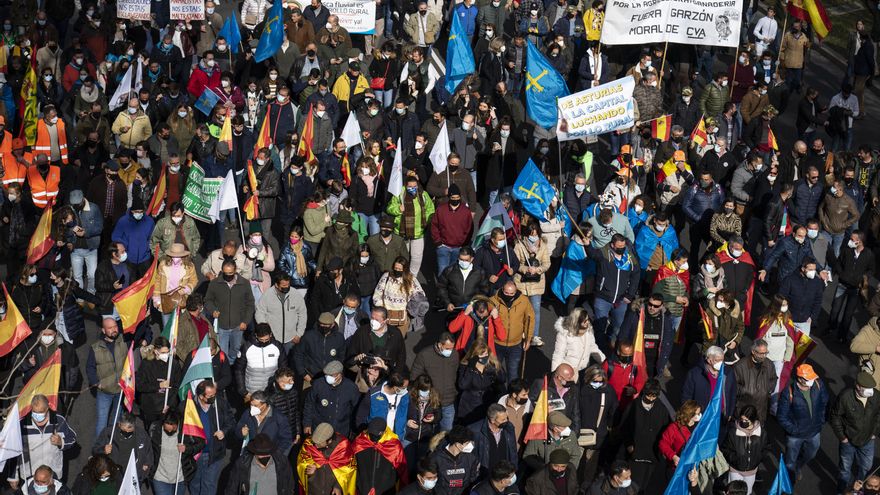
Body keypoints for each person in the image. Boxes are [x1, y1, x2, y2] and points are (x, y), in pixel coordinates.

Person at [9, 395, 77, 488]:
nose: (37, 415)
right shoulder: (22, 425)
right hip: (30, 475)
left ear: (47, 408)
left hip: (53, 475)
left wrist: (61, 442)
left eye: (40, 412)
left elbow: (72, 439)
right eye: (34, 412)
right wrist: (13, 476)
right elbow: (14, 451)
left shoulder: (58, 421)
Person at [777, 364, 829, 482]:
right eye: (809, 378)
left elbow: (825, 402)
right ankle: (788, 483)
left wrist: (821, 421)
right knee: (790, 461)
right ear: (800, 378)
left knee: (811, 454)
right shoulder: (788, 392)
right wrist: (795, 430)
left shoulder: (818, 384)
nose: (812, 380)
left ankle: (798, 467)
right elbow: (782, 416)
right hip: (795, 436)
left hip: (814, 432)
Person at [831, 371, 880, 493]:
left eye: (871, 388)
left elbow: (879, 414)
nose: (870, 391)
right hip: (848, 441)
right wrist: (842, 437)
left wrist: (875, 432)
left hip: (868, 440)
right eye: (867, 388)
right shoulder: (845, 397)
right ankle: (841, 490)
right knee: (845, 469)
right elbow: (835, 417)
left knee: (866, 467)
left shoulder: (876, 395)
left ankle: (859, 490)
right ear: (857, 386)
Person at [204, 259, 255, 364]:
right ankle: (226, 368)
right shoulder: (215, 283)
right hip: (221, 326)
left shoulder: (244, 283)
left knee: (236, 349)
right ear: (222, 271)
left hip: (238, 325)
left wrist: (245, 321)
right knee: (222, 352)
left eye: (230, 273)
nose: (228, 276)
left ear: (235, 270)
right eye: (225, 273)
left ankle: (231, 365)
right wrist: (213, 310)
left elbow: (250, 304)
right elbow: (207, 300)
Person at [86, 317, 128, 439]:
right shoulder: (95, 348)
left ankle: (113, 447)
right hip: (105, 392)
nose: (114, 330)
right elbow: (90, 367)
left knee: (116, 421)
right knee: (102, 423)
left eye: (115, 326)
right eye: (110, 328)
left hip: (120, 390)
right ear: (103, 330)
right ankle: (99, 452)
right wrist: (97, 383)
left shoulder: (123, 340)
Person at [410, 332, 460, 432]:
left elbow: (456, 374)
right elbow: (414, 377)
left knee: (446, 432)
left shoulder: (454, 354)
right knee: (426, 432)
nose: (450, 351)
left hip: (448, 401)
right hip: (430, 403)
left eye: (452, 348)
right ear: (440, 344)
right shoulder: (424, 355)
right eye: (448, 348)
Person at [149, 411, 205, 495]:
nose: (169, 431)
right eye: (166, 429)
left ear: (178, 423)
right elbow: (147, 446)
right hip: (159, 476)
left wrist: (187, 449)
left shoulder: (186, 430)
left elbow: (202, 443)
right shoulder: (155, 428)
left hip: (180, 478)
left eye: (173, 430)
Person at [491, 281, 534, 385]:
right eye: (506, 293)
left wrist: (528, 339)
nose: (509, 296)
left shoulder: (524, 301)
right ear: (502, 290)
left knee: (513, 373)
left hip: (515, 344)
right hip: (497, 343)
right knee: (495, 372)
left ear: (516, 291)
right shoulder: (493, 301)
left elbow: (529, 320)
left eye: (512, 293)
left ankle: (512, 396)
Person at [302, 361, 361, 437]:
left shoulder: (351, 388)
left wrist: (354, 429)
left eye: (331, 375)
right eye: (326, 375)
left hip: (340, 430)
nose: (328, 377)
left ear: (340, 374)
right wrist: (307, 423)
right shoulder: (318, 384)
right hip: (319, 428)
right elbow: (309, 404)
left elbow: (356, 409)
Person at [92, 412, 154, 483]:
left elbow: (149, 452)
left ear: (134, 426)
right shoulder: (108, 433)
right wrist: (103, 450)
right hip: (113, 476)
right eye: (124, 431)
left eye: (130, 431)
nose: (126, 433)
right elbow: (95, 450)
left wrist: (146, 466)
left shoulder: (142, 435)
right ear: (119, 424)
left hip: (134, 476)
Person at [353, 418, 409, 495]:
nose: (373, 436)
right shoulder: (360, 442)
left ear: (384, 432)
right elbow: (352, 465)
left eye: (377, 433)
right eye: (371, 433)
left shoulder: (394, 446)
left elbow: (402, 469)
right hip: (362, 490)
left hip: (386, 491)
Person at [226, 433, 295, 495]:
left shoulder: (282, 462)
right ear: (255, 452)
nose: (264, 457)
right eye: (261, 454)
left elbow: (290, 485)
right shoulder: (242, 463)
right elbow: (231, 489)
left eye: (267, 453)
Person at [234, 323, 289, 400]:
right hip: (252, 390)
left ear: (271, 335)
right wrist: (243, 391)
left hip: (273, 389)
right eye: (261, 340)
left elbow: (283, 368)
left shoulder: (277, 346)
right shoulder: (246, 347)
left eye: (266, 340)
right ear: (256, 335)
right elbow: (239, 369)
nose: (264, 342)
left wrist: (282, 385)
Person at [551, 308, 605, 376]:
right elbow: (558, 355)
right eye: (585, 321)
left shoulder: (589, 330)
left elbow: (592, 347)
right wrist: (555, 374)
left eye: (588, 319)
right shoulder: (564, 334)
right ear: (576, 322)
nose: (588, 322)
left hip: (584, 370)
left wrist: (604, 362)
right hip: (569, 372)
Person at [430, 425, 480, 495]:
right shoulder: (435, 459)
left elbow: (473, 479)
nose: (470, 446)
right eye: (467, 443)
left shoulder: (471, 458)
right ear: (457, 444)